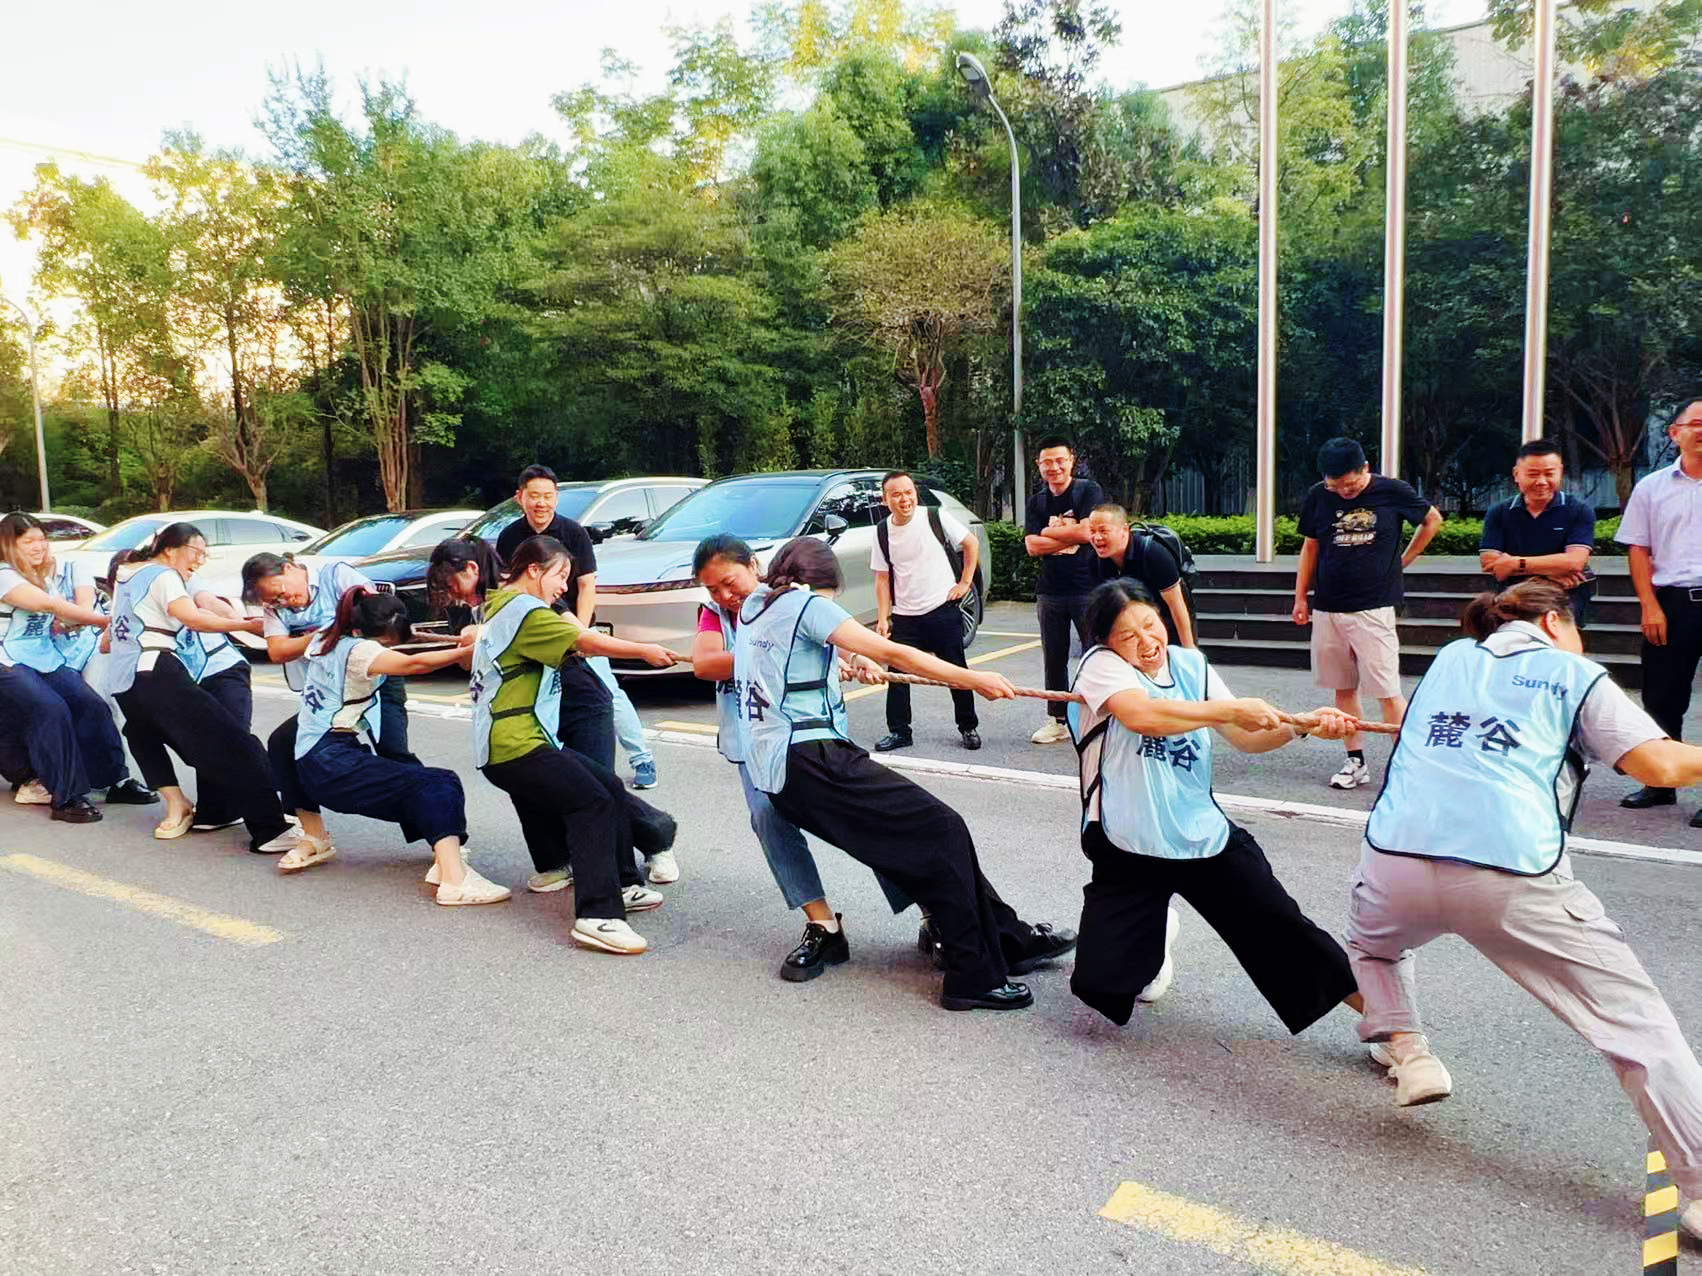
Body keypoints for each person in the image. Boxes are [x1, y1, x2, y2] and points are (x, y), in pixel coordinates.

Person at [1350, 580, 1702, 1240]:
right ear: (1553, 621)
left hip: (1395, 862)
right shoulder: (1573, 673)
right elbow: (1657, 764)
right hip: (1510, 874)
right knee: (1634, 1024)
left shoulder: (1451, 659)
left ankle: (1408, 1049)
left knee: (1373, 946)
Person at [733, 536, 1077, 1011]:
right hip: (813, 759)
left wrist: (850, 656)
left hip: (782, 773)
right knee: (942, 830)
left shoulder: (755, 606)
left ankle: (1008, 938)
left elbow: (796, 652)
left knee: (921, 840)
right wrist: (974, 679)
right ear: (821, 584)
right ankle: (971, 976)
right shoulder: (806, 604)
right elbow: (899, 653)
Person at [1067, 578, 1362, 1031]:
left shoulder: (1191, 665)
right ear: (1107, 641)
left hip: (1201, 834)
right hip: (1127, 841)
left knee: (1283, 930)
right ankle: (1154, 936)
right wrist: (1227, 710)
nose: (1146, 642)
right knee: (1098, 984)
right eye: (1128, 636)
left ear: (1163, 617)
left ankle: (1392, 1026)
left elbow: (1246, 736)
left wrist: (1298, 726)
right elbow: (1143, 715)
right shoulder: (1100, 666)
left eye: (1150, 625)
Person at [692, 533, 915, 981]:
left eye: (729, 582)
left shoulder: (793, 599)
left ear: (753, 566)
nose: (724, 595)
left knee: (865, 822)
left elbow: (838, 635)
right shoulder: (716, 613)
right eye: (713, 589)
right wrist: (767, 650)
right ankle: (822, 924)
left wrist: (856, 656)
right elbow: (704, 663)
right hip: (754, 742)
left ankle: (931, 912)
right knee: (768, 820)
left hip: (815, 739)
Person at [428, 534, 682, 890]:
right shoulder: (485, 607)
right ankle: (559, 862)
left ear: (471, 568)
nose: (453, 595)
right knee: (532, 785)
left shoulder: (530, 598)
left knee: (598, 788)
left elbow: (580, 637)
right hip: (530, 711)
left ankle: (640, 857)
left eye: (452, 585)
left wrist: (640, 650)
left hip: (579, 698)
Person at [275, 586, 510, 904]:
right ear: (363, 633)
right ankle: (455, 881)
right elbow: (416, 665)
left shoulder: (328, 636)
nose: (387, 651)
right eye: (386, 644)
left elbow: (408, 646)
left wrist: (453, 640)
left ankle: (444, 859)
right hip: (332, 763)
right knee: (439, 783)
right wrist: (468, 651)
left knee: (415, 784)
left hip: (315, 759)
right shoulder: (360, 652)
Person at [110, 523, 300, 852]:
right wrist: (244, 625)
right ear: (170, 549)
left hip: (126, 682)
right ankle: (271, 830)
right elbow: (194, 617)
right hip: (155, 669)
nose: (200, 560)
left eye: (204, 554)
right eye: (196, 551)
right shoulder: (163, 575)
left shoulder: (126, 577)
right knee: (233, 743)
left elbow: (109, 638)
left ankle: (204, 808)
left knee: (186, 744)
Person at [495, 464, 659, 792]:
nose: (541, 503)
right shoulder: (509, 537)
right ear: (519, 498)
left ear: (556, 498)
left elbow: (586, 586)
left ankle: (642, 758)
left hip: (576, 626)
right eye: (534, 496)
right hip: (535, 632)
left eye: (547, 496)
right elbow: (506, 586)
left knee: (606, 693)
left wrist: (580, 635)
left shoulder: (573, 533)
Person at [1293, 437, 1441, 790]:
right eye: (1336, 486)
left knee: (1387, 691)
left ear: (1365, 469)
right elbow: (1310, 546)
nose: (1344, 492)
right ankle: (1355, 761)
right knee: (1343, 688)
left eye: (1350, 484)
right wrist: (1300, 597)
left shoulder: (1392, 491)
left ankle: (1408, 768)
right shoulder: (1319, 496)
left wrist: (1403, 561)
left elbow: (1432, 520)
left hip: (1373, 607)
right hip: (1328, 606)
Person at [0, 512, 153, 822]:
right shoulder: (4, 574)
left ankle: (112, 780)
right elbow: (49, 606)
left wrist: (72, 623)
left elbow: (60, 617)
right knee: (50, 709)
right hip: (6, 659)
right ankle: (66, 796)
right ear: (8, 545)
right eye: (28, 541)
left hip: (42, 656)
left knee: (90, 704)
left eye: (42, 539)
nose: (39, 546)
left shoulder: (42, 575)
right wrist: (107, 620)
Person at [241, 553, 420, 767]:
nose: (284, 602)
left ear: (288, 568)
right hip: (328, 691)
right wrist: (327, 633)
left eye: (281, 593)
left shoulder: (335, 576)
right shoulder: (275, 611)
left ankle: (430, 786)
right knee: (284, 744)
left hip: (373, 679)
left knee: (392, 750)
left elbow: (376, 617)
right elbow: (278, 651)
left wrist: (306, 639)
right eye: (274, 601)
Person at [1616, 398, 1702, 826]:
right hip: (1672, 603)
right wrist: (1649, 605)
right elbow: (1638, 548)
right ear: (1675, 433)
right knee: (1662, 696)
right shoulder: (1651, 487)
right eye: (1697, 423)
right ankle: (1660, 781)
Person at [870, 470, 983, 753]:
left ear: (915, 493)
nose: (904, 499)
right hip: (905, 616)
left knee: (956, 671)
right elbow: (882, 578)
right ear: (885, 499)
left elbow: (971, 543)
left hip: (941, 609)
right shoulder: (882, 531)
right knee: (897, 676)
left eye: (908, 492)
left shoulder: (935, 516)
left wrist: (965, 583)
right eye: (896, 494)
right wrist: (883, 617)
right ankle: (899, 732)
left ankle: (968, 727)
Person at [1024, 436, 1105, 745]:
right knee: (1054, 658)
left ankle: (1098, 716)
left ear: (1072, 460)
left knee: (1094, 655)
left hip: (1087, 588)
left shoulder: (1087, 490)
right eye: (1047, 462)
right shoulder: (1037, 502)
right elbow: (1032, 546)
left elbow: (1087, 532)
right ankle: (1057, 719)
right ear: (1039, 465)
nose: (1054, 467)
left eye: (1060, 460)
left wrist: (1048, 531)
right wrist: (1069, 533)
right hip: (1050, 591)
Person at [1478, 439, 1596, 623]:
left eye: (1549, 474)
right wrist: (1549, 572)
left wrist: (1515, 563)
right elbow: (1491, 564)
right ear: (1516, 474)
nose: (1541, 482)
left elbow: (1575, 562)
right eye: (1532, 474)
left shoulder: (1579, 510)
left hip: (1563, 597)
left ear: (1561, 472)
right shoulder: (1499, 512)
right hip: (1512, 598)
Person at [1085, 504, 1195, 648]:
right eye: (1092, 531)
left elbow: (1177, 606)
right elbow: (1103, 608)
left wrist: (1189, 650)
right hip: (1130, 628)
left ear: (1124, 530)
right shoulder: (1095, 560)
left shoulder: (1154, 554)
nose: (1097, 537)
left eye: (1103, 531)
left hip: (1169, 623)